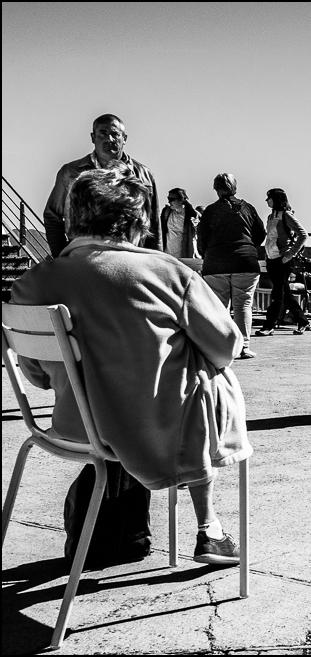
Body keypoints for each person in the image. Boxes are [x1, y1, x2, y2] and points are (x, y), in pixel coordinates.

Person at [12, 164, 251, 565]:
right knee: (207, 372)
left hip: (72, 428)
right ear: (137, 220)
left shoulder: (32, 282)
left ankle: (205, 527)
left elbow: (36, 376)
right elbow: (227, 346)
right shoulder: (165, 272)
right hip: (156, 431)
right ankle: (209, 527)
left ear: (73, 218)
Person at [43, 114, 161, 258]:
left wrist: (155, 259)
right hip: (82, 257)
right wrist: (61, 255)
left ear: (124, 139)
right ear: (93, 137)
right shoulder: (70, 173)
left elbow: (154, 223)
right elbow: (52, 216)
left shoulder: (144, 175)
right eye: (103, 133)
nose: (109, 139)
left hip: (131, 257)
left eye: (115, 134)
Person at [198, 174, 265, 359]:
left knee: (219, 306)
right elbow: (261, 233)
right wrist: (248, 247)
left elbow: (201, 238)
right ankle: (243, 347)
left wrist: (208, 254)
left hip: (216, 263)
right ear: (234, 187)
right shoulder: (247, 208)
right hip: (246, 262)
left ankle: (221, 346)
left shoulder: (210, 211)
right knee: (243, 305)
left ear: (216, 189)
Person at [254, 188, 311, 336]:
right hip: (272, 259)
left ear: (276, 199)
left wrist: (291, 253)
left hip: (283, 259)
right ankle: (302, 320)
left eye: (269, 198)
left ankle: (269, 325)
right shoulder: (270, 217)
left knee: (277, 293)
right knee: (285, 293)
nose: (267, 201)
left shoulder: (286, 215)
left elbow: (303, 234)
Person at [161, 188, 200, 259]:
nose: (169, 202)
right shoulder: (166, 212)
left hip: (185, 257)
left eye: (172, 199)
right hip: (167, 256)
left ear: (181, 200)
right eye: (168, 198)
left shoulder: (192, 215)